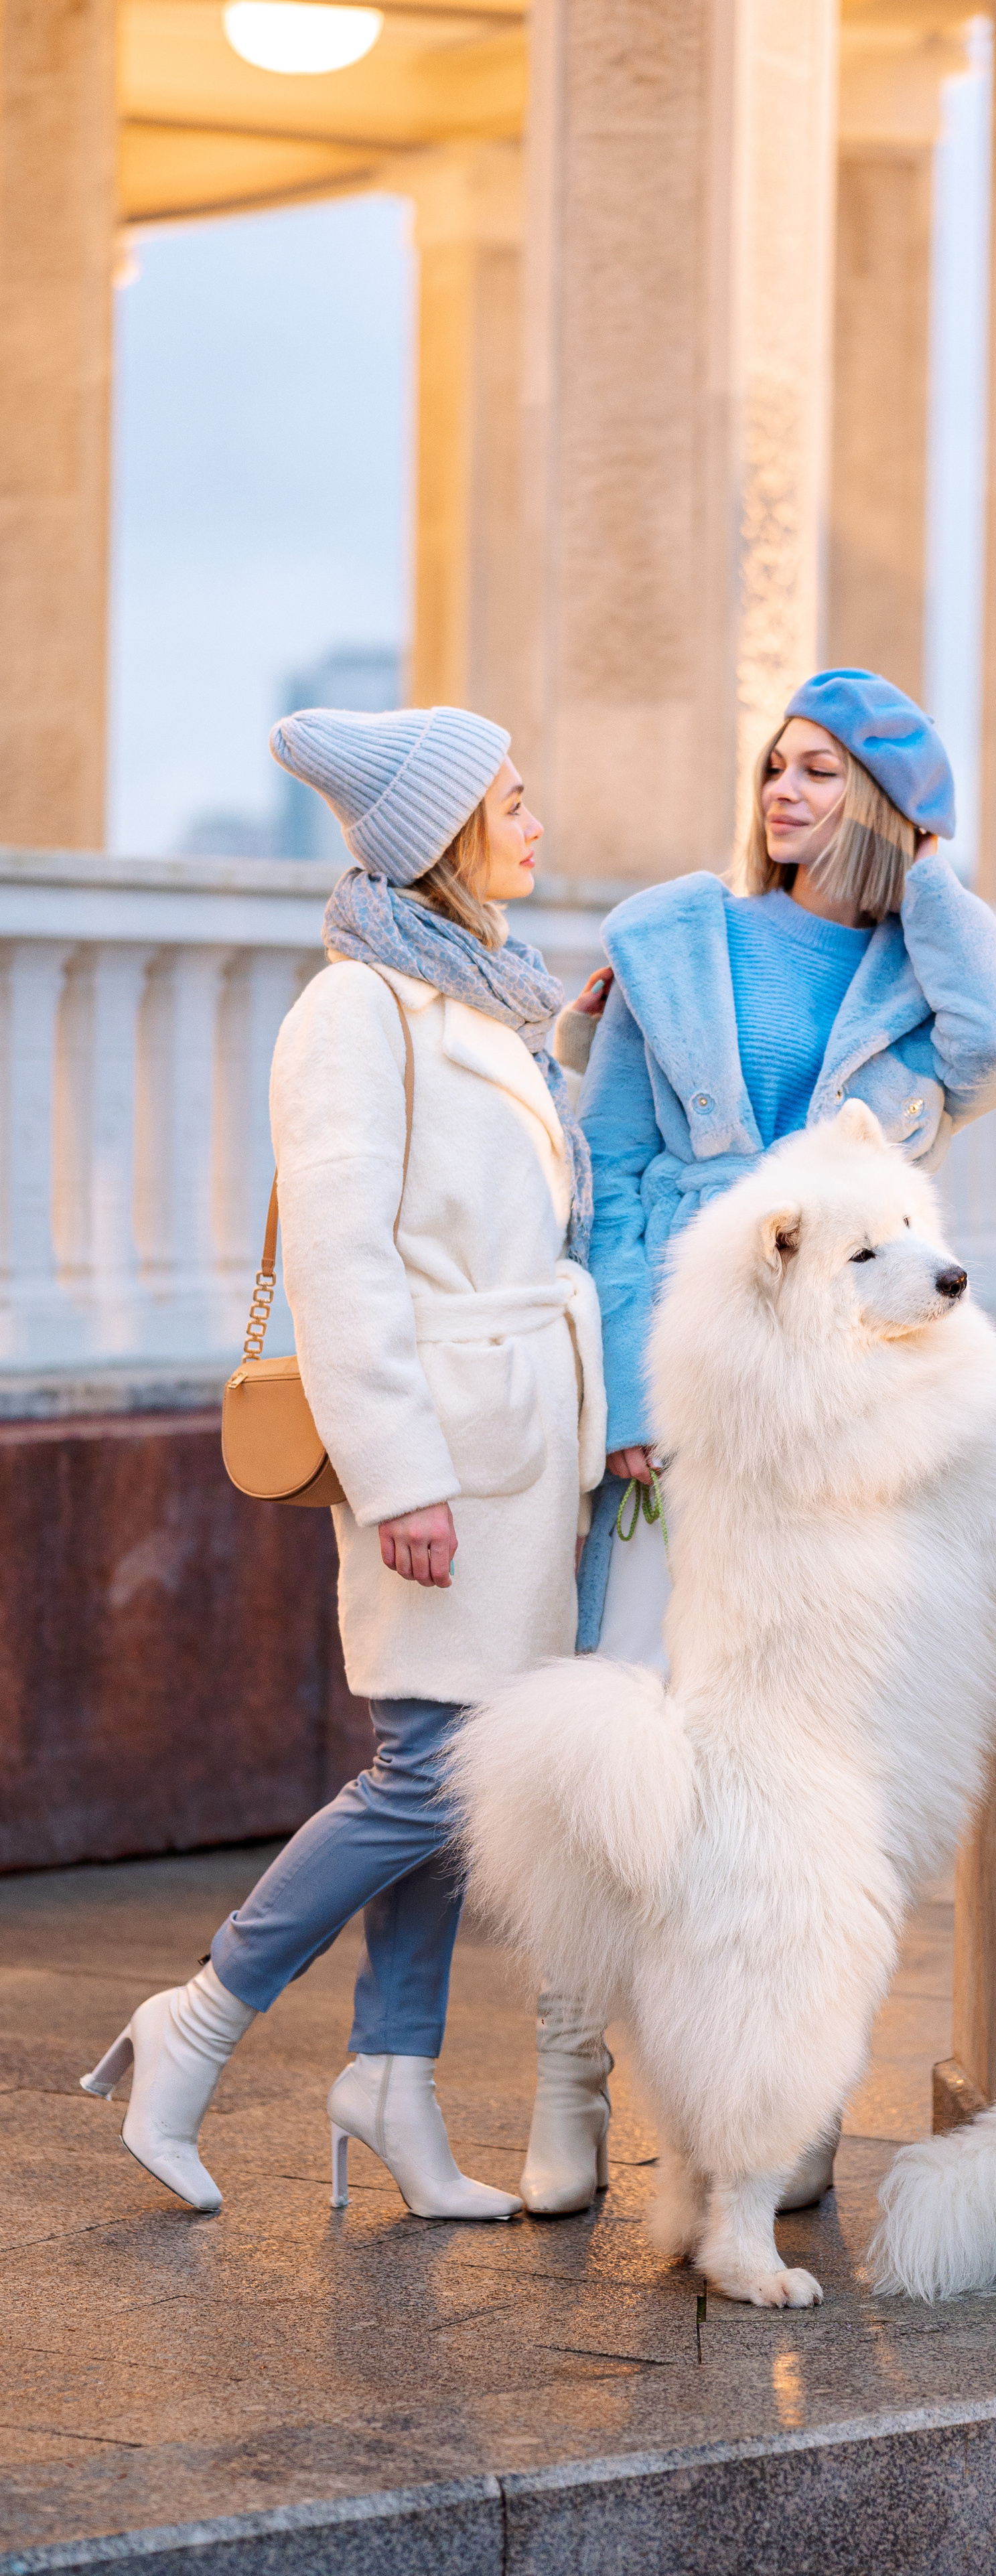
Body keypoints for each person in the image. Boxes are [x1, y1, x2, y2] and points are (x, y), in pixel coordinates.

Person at [517, 666, 996, 2218]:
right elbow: (611, 1181)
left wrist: (929, 865)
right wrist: (632, 1404)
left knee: (811, 1761)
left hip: (835, 1431)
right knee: (616, 1730)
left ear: (882, 808)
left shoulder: (914, 984)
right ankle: (570, 2073)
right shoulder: (674, 944)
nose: (784, 794)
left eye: (824, 773)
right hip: (686, 1404)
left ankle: (783, 2089)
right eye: (776, 767)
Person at [81, 705, 608, 2222]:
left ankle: (391, 2074)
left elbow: (501, 1203)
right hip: (444, 1448)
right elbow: (341, 1259)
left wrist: (564, 1039)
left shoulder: (475, 996)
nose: (532, 815)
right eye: (510, 796)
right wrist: (397, 1475)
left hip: (517, 1440)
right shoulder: (351, 1012)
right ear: (442, 827)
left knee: (462, 1785)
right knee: (430, 1776)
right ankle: (199, 2019)